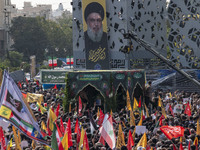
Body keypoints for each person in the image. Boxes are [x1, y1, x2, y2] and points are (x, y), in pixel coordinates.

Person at [84, 2, 109, 69]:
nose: (96, 24)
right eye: (92, 20)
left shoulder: (107, 38)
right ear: (87, 22)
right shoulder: (82, 38)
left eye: (98, 20)